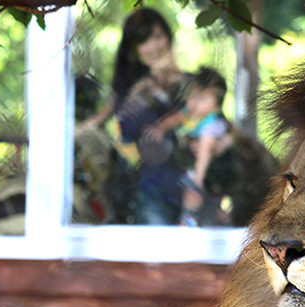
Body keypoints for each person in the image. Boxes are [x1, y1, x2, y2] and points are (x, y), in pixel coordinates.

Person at [82, 8, 189, 225]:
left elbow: (205, 122)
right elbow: (111, 126)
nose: (154, 46)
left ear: (168, 37)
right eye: (144, 41)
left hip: (190, 188)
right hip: (146, 190)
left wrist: (170, 76)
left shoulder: (194, 84)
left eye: (158, 36)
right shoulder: (129, 90)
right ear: (134, 50)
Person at [145, 67, 234, 226]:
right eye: (192, 97)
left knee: (195, 188)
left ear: (217, 105)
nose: (194, 103)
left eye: (202, 99)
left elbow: (207, 147)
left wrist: (198, 178)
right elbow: (175, 119)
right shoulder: (190, 114)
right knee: (198, 197)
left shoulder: (213, 122)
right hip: (193, 167)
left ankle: (194, 203)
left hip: (207, 170)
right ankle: (209, 215)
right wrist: (160, 127)